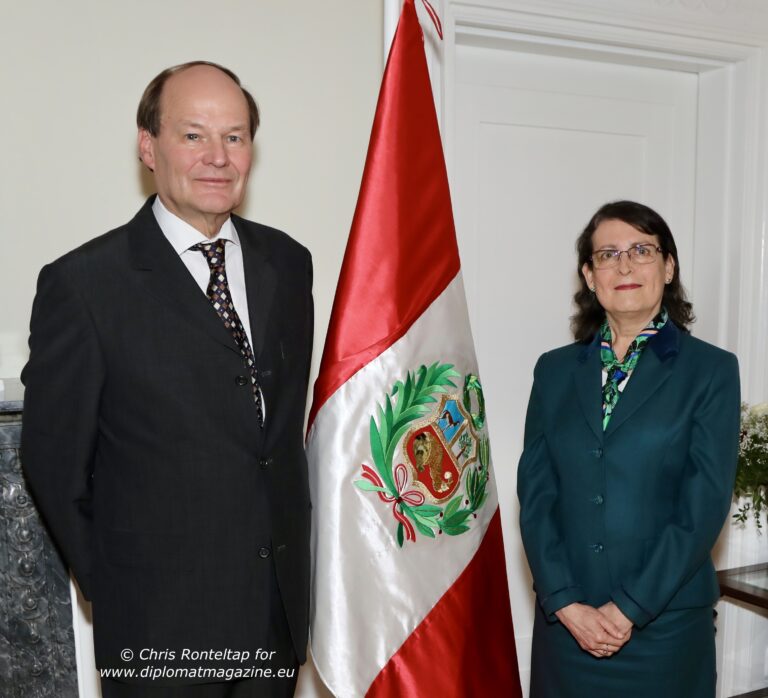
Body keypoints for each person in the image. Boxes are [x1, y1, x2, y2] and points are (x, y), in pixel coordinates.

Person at [21, 61, 313, 698]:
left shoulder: (289, 265)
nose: (218, 157)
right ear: (148, 147)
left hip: (277, 618)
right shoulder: (85, 286)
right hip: (157, 631)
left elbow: (278, 437)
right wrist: (118, 585)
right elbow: (52, 459)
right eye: (193, 135)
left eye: (234, 137)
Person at [517, 200, 740, 697]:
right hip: (567, 627)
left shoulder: (711, 371)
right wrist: (566, 603)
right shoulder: (553, 371)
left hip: (664, 628)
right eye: (607, 254)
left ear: (668, 266)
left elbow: (701, 508)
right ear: (589, 276)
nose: (624, 265)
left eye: (641, 249)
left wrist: (629, 608)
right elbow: (536, 497)